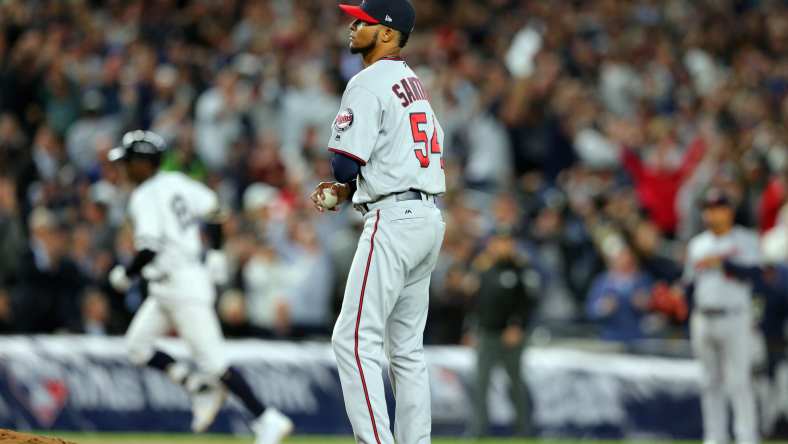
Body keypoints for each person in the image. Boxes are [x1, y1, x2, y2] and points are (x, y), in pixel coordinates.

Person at [309, 1, 446, 442]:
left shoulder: (369, 81)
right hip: (425, 216)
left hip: (393, 219)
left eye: (363, 21)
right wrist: (352, 190)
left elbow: (344, 164)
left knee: (352, 341)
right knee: (406, 350)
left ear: (387, 34)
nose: (352, 26)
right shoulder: (413, 83)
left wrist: (345, 184)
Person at [106, 130, 292, 443]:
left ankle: (266, 418)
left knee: (214, 362)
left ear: (142, 162)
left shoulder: (144, 195)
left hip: (182, 286)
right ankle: (197, 386)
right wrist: (216, 252)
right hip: (169, 286)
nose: (123, 168)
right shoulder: (177, 182)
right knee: (137, 346)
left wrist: (126, 274)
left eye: (127, 161)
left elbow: (149, 247)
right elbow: (216, 210)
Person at [683, 188, 760, 444]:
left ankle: (745, 437)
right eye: (708, 209)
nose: (711, 213)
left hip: (735, 317)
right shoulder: (698, 244)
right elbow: (690, 284)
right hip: (703, 317)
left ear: (729, 211)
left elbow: (756, 276)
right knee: (708, 382)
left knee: (739, 381)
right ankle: (714, 437)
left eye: (717, 208)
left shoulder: (745, 240)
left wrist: (723, 263)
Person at [468, 226, 533, 437]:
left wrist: (517, 325)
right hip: (487, 335)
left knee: (515, 384)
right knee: (481, 384)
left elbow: (527, 303)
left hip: (510, 335)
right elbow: (477, 303)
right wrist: (471, 329)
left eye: (506, 242)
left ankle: (524, 430)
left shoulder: (520, 270)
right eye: (498, 241)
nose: (502, 246)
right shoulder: (485, 270)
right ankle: (479, 431)